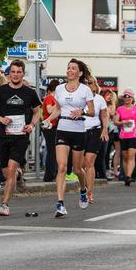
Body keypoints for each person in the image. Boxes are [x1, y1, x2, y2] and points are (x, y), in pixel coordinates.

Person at [0, 59, 41, 216]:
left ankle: (4, 205)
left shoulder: (30, 93)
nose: (15, 75)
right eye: (13, 72)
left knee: (10, 170)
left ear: (23, 74)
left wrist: (31, 125)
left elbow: (37, 112)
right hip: (3, 136)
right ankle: (18, 175)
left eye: (19, 72)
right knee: (6, 173)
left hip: (21, 137)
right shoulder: (1, 91)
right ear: (9, 74)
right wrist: (1, 119)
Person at [42, 59, 95, 217]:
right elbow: (58, 109)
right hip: (63, 129)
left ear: (79, 73)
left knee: (78, 169)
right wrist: (48, 119)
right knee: (62, 167)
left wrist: (82, 112)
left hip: (78, 131)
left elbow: (92, 111)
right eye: (68, 68)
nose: (69, 70)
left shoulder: (85, 90)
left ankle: (83, 190)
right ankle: (60, 204)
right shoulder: (59, 88)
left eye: (73, 68)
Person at [113, 88, 136, 186]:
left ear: (132, 98)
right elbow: (115, 122)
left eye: (129, 97)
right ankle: (126, 175)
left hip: (134, 135)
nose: (127, 98)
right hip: (124, 136)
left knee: (131, 155)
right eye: (125, 96)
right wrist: (122, 122)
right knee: (125, 156)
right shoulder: (120, 109)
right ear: (123, 98)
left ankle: (128, 176)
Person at [82, 76, 109, 203]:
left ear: (95, 85)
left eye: (90, 83)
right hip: (79, 131)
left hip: (94, 131)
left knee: (89, 162)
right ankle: (83, 188)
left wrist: (104, 129)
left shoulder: (99, 99)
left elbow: (104, 115)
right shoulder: (79, 98)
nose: (88, 85)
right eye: (85, 83)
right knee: (80, 165)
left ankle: (89, 193)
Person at [41, 79, 60, 182]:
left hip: (54, 125)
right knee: (52, 151)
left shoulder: (54, 98)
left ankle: (53, 173)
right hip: (49, 126)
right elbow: (49, 110)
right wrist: (57, 103)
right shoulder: (49, 98)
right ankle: (49, 175)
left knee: (54, 151)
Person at [103, 89, 120, 180]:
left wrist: (113, 102)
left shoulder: (113, 105)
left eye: (111, 96)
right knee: (105, 151)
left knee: (116, 150)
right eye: (108, 95)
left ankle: (112, 169)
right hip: (105, 130)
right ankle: (105, 169)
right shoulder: (103, 105)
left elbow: (113, 113)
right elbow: (111, 113)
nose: (109, 97)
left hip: (113, 130)